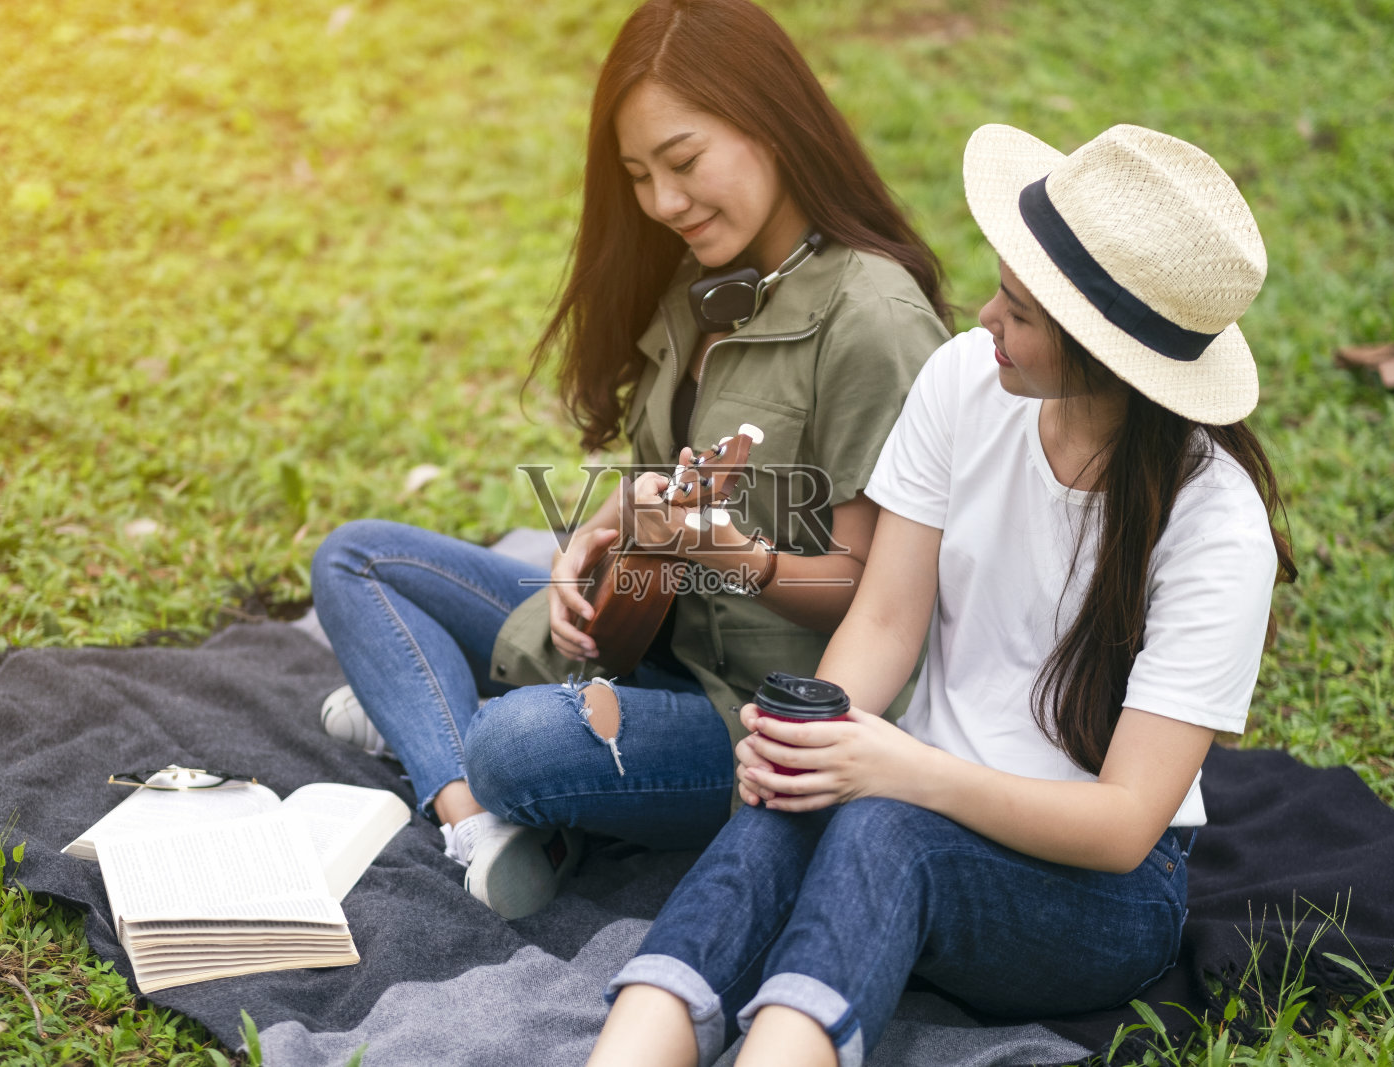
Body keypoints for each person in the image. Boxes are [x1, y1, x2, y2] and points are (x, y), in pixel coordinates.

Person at [590, 123, 1297, 1067]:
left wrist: (901, 771)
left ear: (1108, 358)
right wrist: (811, 741)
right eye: (1000, 287)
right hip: (912, 801)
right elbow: (885, 619)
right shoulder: (967, 378)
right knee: (792, 806)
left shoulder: (1216, 526)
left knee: (884, 825)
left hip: (1101, 895)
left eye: (1021, 312)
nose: (985, 317)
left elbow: (1126, 825)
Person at [309, 0, 950, 920]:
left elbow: (876, 593)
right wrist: (612, 524)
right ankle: (475, 821)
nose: (662, 203)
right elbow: (687, 475)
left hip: (751, 715)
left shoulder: (872, 320)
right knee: (357, 557)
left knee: (514, 744)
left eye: (683, 162)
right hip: (645, 642)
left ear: (772, 122)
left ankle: (441, 734)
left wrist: (720, 549)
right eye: (640, 175)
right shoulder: (702, 279)